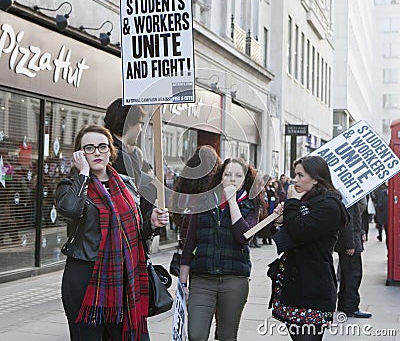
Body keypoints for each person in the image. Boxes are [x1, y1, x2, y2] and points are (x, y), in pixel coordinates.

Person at [55, 124, 169, 341]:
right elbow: (70, 209)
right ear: (80, 153)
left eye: (102, 147)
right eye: (89, 148)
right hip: (85, 276)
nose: (97, 152)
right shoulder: (70, 185)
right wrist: (84, 174)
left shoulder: (128, 186)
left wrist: (151, 224)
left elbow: (135, 235)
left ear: (111, 150)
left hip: (123, 278)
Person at [179, 157, 261, 341]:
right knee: (196, 334)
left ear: (245, 179)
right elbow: (190, 242)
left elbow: (244, 237)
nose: (232, 179)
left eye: (238, 175)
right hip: (202, 279)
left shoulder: (250, 205)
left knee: (227, 335)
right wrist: (183, 283)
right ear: (220, 177)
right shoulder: (205, 201)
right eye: (228, 174)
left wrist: (232, 202)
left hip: (234, 280)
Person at [269, 156, 349, 341]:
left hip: (313, 289)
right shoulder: (306, 201)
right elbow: (287, 232)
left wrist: (292, 205)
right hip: (295, 287)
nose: (294, 180)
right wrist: (282, 218)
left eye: (300, 175)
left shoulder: (329, 205)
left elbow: (299, 231)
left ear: (315, 178)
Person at [334, 196, 371, 319]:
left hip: (352, 239)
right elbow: (347, 221)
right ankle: (351, 307)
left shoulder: (348, 196)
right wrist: (350, 244)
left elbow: (355, 218)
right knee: (353, 275)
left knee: (346, 275)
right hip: (350, 243)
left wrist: (361, 232)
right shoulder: (349, 197)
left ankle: (344, 304)